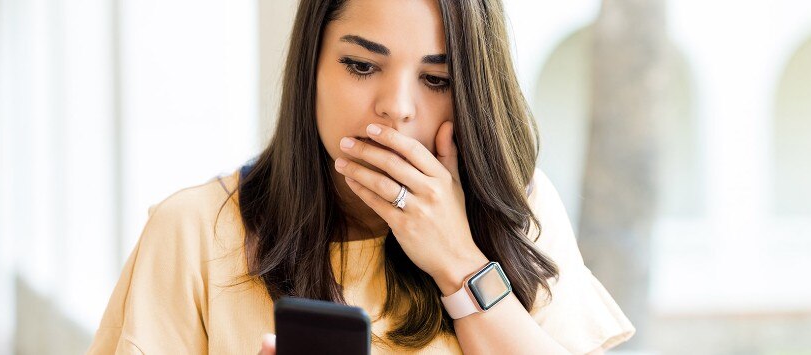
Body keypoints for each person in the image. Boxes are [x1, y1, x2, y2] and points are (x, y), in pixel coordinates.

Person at [87, 0, 634, 353]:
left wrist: (458, 263)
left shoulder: (520, 208)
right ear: (312, 69)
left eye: (436, 77)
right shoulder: (195, 230)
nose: (395, 108)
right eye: (361, 65)